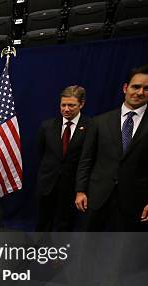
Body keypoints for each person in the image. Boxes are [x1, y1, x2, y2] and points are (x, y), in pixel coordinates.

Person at [74, 64, 148, 286]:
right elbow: (87, 159)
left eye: (147, 88)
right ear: (125, 88)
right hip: (97, 193)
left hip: (133, 197)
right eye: (136, 86)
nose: (140, 92)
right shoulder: (100, 121)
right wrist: (80, 190)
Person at [36, 85, 89, 232]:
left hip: (72, 187)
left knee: (65, 225)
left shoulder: (91, 126)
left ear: (81, 104)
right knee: (43, 223)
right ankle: (40, 251)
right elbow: (42, 154)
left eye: (71, 105)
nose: (66, 109)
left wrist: (81, 189)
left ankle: (61, 252)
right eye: (63, 105)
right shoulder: (47, 126)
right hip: (48, 185)